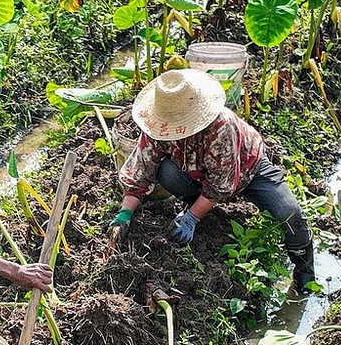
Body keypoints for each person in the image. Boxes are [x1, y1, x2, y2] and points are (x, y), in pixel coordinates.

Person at [107, 68, 315, 288]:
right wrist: (125, 214)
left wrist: (191, 218)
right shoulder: (158, 127)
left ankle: (304, 273)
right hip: (196, 171)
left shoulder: (221, 128)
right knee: (167, 172)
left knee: (290, 214)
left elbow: (221, 185)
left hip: (248, 168)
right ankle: (196, 203)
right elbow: (141, 168)